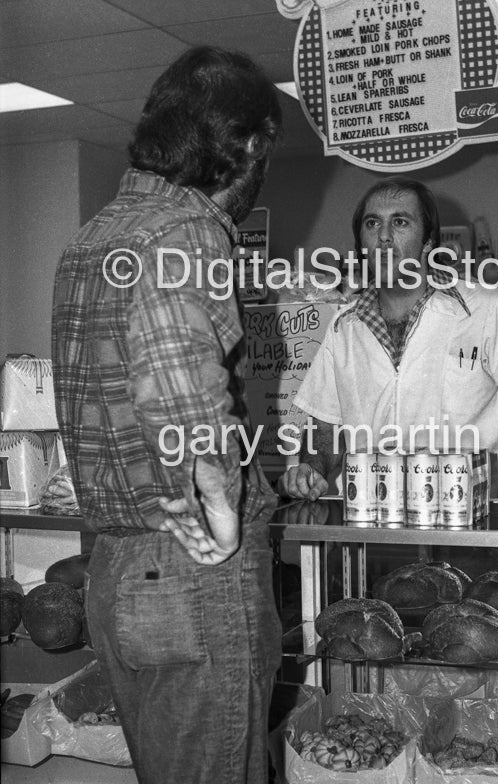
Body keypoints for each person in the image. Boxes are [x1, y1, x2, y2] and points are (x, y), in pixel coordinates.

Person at [52, 46, 283, 784]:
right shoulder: (186, 231)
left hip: (116, 565)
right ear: (248, 145)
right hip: (189, 569)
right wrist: (220, 513)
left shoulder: (90, 239)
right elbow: (179, 393)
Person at [279, 176, 498, 507]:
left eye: (400, 222)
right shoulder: (343, 327)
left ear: (428, 241)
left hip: (465, 520)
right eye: (372, 223)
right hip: (369, 527)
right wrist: (311, 468)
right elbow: (324, 427)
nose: (384, 236)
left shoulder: (485, 308)